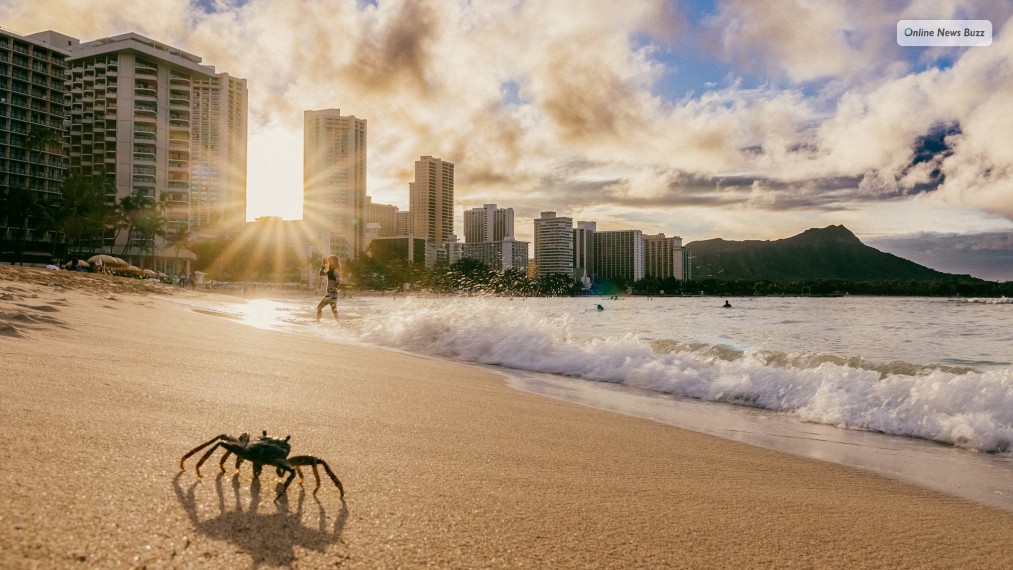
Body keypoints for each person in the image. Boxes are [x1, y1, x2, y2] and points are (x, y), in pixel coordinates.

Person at [316, 255, 341, 322]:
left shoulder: (336, 270)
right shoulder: (330, 271)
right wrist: (323, 265)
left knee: (319, 307)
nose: (329, 261)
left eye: (330, 260)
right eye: (328, 260)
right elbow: (321, 274)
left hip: (332, 294)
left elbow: (338, 280)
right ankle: (339, 323)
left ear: (334, 261)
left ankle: (318, 322)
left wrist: (331, 288)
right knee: (334, 310)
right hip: (333, 294)